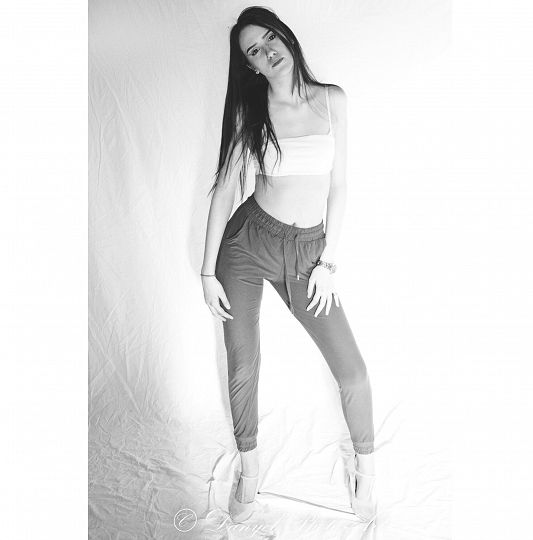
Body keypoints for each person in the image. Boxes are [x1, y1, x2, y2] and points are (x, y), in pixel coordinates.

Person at [200, 6, 377, 525]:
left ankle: (367, 469)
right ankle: (249, 469)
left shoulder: (332, 100)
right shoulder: (250, 113)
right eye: (253, 50)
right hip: (247, 244)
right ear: (250, 66)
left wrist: (329, 262)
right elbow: (225, 189)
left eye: (269, 38)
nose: (267, 51)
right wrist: (207, 272)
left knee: (353, 372)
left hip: (307, 253)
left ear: (287, 38)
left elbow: (340, 184)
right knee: (244, 363)